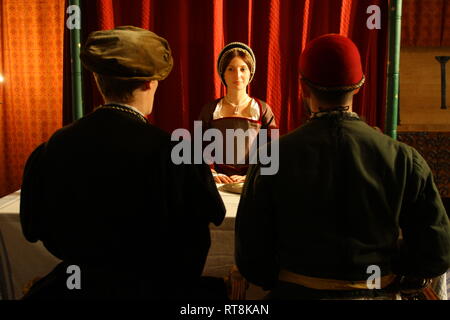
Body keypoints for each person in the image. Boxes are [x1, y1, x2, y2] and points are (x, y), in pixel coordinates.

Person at [235, 34, 450, 300]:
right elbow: (436, 254)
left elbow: (251, 259)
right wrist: (391, 267)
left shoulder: (271, 157)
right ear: (360, 85)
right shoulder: (404, 158)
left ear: (303, 87)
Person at [19, 26, 227, 300]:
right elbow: (206, 224)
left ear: (97, 79)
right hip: (155, 292)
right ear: (149, 83)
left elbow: (33, 228)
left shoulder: (54, 146)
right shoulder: (176, 151)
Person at [198, 42, 277, 184]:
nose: (237, 75)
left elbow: (272, 149)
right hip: (217, 182)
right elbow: (200, 146)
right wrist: (213, 173)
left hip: (253, 182)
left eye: (243, 69)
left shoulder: (263, 109)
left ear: (250, 72)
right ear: (223, 73)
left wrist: (251, 176)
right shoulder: (209, 110)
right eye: (231, 69)